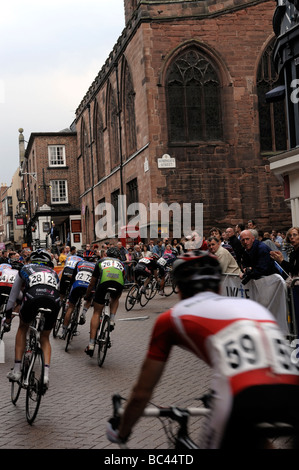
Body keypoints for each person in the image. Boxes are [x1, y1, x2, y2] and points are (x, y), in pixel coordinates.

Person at [106, 251, 299, 449]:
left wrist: (122, 431)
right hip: (293, 387)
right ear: (218, 283)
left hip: (242, 395)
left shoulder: (172, 317)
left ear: (179, 287)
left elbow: (141, 392)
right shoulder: (249, 305)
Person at [4, 249, 60, 389]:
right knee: (45, 338)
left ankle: (17, 371)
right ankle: (46, 376)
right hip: (53, 301)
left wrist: (8, 314)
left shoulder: (25, 268)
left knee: (22, 328)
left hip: (33, 298)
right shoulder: (53, 273)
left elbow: (13, 295)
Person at [84, 247, 125, 357]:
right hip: (118, 284)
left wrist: (88, 295)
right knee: (116, 297)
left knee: (97, 312)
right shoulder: (121, 263)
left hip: (104, 284)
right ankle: (111, 319)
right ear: (117, 257)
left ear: (106, 254)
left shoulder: (100, 261)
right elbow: (123, 278)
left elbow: (92, 282)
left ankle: (91, 345)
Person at [59, 257, 96, 339]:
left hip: (77, 285)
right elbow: (95, 281)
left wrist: (69, 289)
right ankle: (83, 313)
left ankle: (63, 331)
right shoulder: (95, 266)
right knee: (89, 300)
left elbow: (73, 277)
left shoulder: (79, 263)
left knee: (71, 307)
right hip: (87, 286)